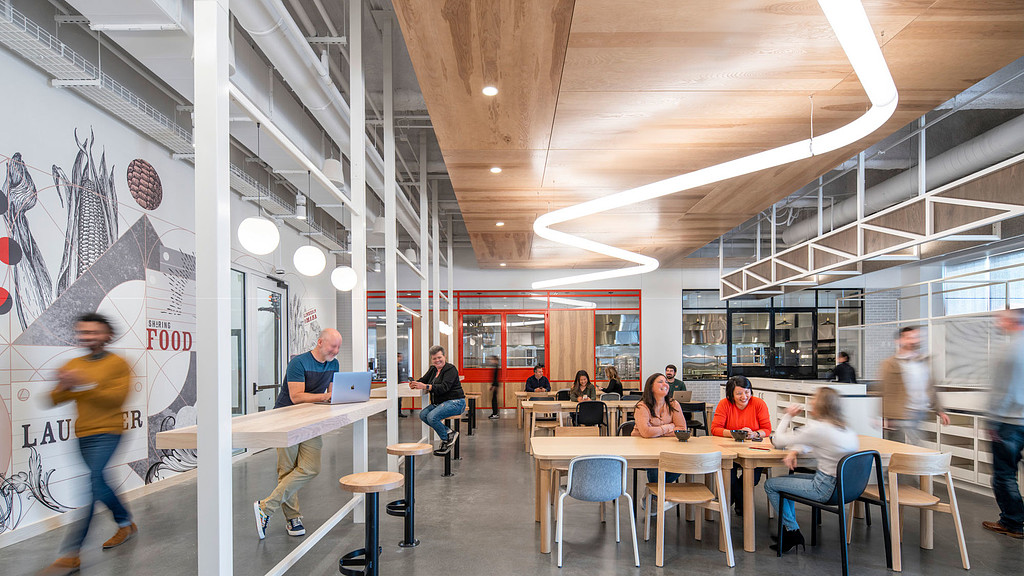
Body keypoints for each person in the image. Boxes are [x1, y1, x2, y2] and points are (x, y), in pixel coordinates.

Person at [44, 313, 136, 575]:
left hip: (110, 432)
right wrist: (63, 384)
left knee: (92, 484)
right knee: (100, 483)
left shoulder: (119, 363)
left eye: (93, 332)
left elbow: (116, 399)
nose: (88, 337)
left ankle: (71, 554)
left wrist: (83, 383)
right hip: (83, 435)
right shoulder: (74, 363)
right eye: (83, 333)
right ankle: (125, 521)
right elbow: (53, 400)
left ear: (107, 335)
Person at [254, 328, 342, 540]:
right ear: (320, 342)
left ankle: (265, 506)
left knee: (311, 467)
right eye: (333, 346)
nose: (336, 351)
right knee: (287, 468)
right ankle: (292, 518)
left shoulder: (334, 364)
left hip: (310, 419)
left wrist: (336, 397)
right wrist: (325, 397)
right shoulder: (299, 363)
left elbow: (331, 392)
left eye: (339, 347)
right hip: (286, 418)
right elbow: (296, 396)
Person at [764, 388, 860, 553]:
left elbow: (778, 441)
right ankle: (789, 533)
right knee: (787, 483)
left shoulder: (818, 428)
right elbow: (812, 443)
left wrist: (788, 415)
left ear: (822, 406)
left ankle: (792, 532)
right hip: (847, 489)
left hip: (824, 488)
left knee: (771, 485)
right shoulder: (847, 430)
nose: (810, 402)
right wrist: (795, 450)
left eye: (814, 399)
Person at [983, 308, 1024, 539]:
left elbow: (1002, 391)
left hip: (1008, 421)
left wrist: (992, 420)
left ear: (1011, 321)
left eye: (1001, 318)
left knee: (1004, 474)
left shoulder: (1009, 350)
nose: (997, 322)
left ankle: (1013, 522)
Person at [711, 375, 772, 515]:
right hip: (728, 450)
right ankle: (742, 504)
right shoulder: (724, 404)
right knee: (730, 478)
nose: (744, 396)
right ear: (731, 394)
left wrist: (755, 434)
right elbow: (715, 429)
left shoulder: (758, 403)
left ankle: (734, 499)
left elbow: (767, 429)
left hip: (754, 450)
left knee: (752, 478)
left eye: (747, 392)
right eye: (739, 393)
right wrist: (735, 433)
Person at [878, 326, 950, 446]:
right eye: (909, 337)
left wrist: (940, 410)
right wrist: (885, 416)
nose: (913, 340)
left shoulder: (923, 361)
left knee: (909, 450)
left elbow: (930, 387)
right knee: (908, 450)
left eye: (916, 337)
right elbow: (885, 390)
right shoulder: (890, 364)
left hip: (919, 413)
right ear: (899, 341)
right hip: (901, 415)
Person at [632, 373, 688, 515]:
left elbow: (682, 429)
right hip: (643, 447)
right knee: (656, 464)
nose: (665, 384)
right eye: (660, 382)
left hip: (669, 446)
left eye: (666, 382)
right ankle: (655, 496)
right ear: (651, 387)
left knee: (683, 463)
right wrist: (669, 427)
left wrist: (656, 431)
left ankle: (653, 491)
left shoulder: (674, 404)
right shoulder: (642, 406)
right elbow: (645, 432)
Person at [409, 345, 466, 455]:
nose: (437, 360)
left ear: (444, 356)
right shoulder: (433, 369)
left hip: (456, 402)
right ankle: (450, 433)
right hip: (440, 403)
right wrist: (415, 384)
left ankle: (445, 439)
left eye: (439, 357)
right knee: (423, 415)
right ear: (432, 359)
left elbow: (444, 388)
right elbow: (423, 380)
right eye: (434, 358)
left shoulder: (451, 369)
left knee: (432, 417)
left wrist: (425, 386)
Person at [397, 352, 410, 417]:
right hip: (396, 385)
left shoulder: (398, 365)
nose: (401, 358)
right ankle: (398, 413)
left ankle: (398, 412)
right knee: (398, 400)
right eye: (400, 357)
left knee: (399, 400)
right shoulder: (395, 366)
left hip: (398, 385)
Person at [488, 355, 501, 420]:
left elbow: (495, 378)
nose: (491, 361)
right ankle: (495, 413)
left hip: (495, 385)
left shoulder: (496, 368)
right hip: (495, 385)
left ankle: (495, 413)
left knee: (494, 400)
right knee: (494, 399)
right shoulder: (496, 367)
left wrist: (493, 386)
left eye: (492, 359)